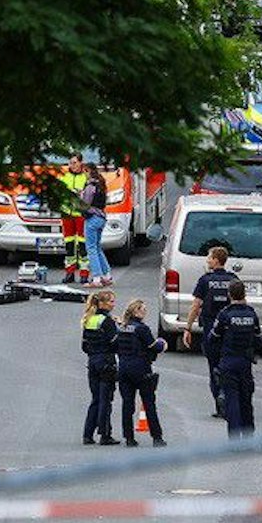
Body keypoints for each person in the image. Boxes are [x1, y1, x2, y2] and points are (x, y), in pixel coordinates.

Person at [181, 246, 241, 418]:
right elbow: (241, 302)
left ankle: (219, 401)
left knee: (214, 367)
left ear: (216, 260)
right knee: (229, 366)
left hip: (211, 331)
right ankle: (228, 398)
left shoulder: (205, 280)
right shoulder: (233, 279)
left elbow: (196, 305)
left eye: (209, 257)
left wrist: (188, 327)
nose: (207, 260)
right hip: (231, 332)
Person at [207, 280, 261, 438]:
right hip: (245, 363)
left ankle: (235, 439)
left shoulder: (225, 315)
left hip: (228, 362)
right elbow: (259, 340)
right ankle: (249, 436)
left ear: (229, 295)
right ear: (244, 294)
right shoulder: (252, 314)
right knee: (246, 400)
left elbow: (212, 337)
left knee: (232, 400)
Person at [115, 299, 167, 447]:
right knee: (149, 403)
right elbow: (154, 346)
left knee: (127, 404)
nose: (145, 312)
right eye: (143, 309)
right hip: (141, 369)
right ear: (136, 311)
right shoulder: (141, 329)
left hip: (124, 369)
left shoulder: (122, 327)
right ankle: (157, 437)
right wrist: (163, 344)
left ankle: (129, 438)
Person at [79, 289, 120, 446]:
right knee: (106, 399)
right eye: (111, 301)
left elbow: (84, 346)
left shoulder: (89, 320)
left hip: (92, 362)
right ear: (102, 303)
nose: (113, 304)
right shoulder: (107, 322)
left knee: (95, 399)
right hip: (106, 362)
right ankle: (105, 434)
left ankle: (88, 434)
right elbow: (115, 343)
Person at [80, 160, 113, 287]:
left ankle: (97, 278)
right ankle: (107, 275)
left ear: (87, 171)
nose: (84, 175)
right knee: (98, 247)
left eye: (84, 172)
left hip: (92, 219)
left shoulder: (90, 187)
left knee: (91, 248)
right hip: (101, 218)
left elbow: (85, 204)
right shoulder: (100, 184)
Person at [57, 162, 89, 285]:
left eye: (75, 162)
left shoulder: (85, 177)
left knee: (83, 245)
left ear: (81, 163)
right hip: (66, 214)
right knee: (69, 245)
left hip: (80, 215)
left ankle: (84, 274)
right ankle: (69, 273)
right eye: (70, 162)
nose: (72, 165)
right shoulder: (64, 176)